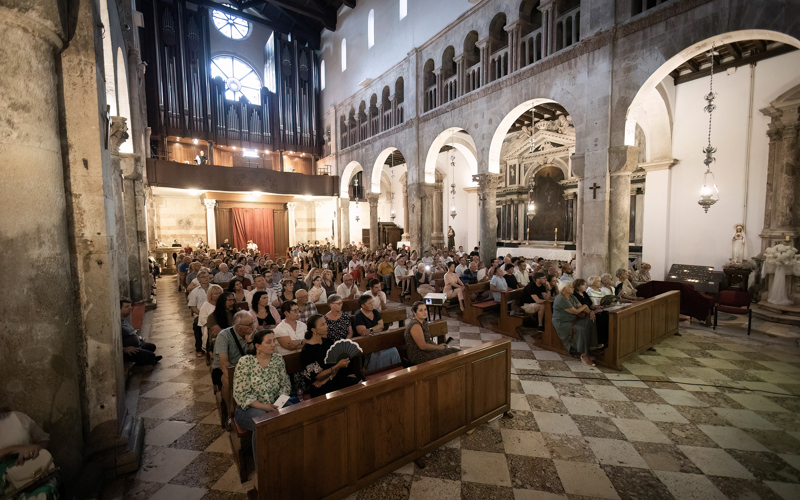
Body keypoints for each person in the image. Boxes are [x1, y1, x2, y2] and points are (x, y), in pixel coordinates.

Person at [232, 330, 297, 463]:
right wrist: (264, 407)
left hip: (275, 404)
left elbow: (285, 384)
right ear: (258, 346)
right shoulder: (245, 362)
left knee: (294, 414)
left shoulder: (278, 360)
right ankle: (263, 467)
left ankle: (290, 457)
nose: (273, 344)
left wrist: (278, 404)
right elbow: (241, 393)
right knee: (263, 422)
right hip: (250, 408)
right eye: (268, 342)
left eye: (274, 341)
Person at [0, 410, 59, 499]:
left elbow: (44, 441)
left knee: (44, 493)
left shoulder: (17, 418)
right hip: (5, 489)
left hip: (34, 476)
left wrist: (35, 448)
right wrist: (12, 449)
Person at [300, 315, 361, 398]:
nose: (326, 326)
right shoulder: (307, 351)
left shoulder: (327, 341)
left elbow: (337, 362)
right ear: (314, 330)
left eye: (325, 323)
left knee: (360, 384)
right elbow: (317, 377)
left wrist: (327, 378)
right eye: (322, 324)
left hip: (333, 378)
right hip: (319, 386)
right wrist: (337, 366)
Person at [552, 283, 602, 366]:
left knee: (591, 320)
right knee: (580, 329)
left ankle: (592, 345)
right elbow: (576, 311)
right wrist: (585, 306)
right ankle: (584, 355)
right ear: (564, 289)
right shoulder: (561, 299)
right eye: (570, 287)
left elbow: (580, 306)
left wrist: (590, 312)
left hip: (573, 319)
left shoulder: (572, 297)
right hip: (562, 322)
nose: (572, 288)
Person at [212, 311, 256, 405]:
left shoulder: (253, 333)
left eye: (253, 322)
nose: (253, 326)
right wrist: (240, 377)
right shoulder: (224, 336)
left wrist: (250, 342)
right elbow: (224, 364)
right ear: (239, 327)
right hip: (226, 368)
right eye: (249, 324)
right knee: (227, 380)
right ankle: (230, 409)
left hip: (246, 367)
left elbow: (256, 356)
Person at [353, 295, 401, 371]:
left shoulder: (375, 312)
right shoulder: (359, 316)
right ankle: (376, 371)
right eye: (369, 303)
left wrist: (370, 329)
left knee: (393, 349)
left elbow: (381, 326)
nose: (372, 304)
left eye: (372, 302)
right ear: (363, 306)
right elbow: (363, 333)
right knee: (377, 353)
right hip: (366, 342)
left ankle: (394, 369)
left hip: (378, 338)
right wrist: (376, 328)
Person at [120, 299, 161, 365]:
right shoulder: (117, 324)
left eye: (130, 306)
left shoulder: (124, 319)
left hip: (138, 344)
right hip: (130, 349)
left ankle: (149, 358)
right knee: (151, 356)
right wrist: (124, 349)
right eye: (126, 306)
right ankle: (150, 360)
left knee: (152, 346)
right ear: (119, 309)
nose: (130, 308)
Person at [197, 285, 223, 357]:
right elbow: (202, 320)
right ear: (210, 295)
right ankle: (211, 351)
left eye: (220, 293)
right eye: (216, 293)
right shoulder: (205, 305)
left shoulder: (223, 304)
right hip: (209, 327)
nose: (218, 295)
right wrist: (213, 325)